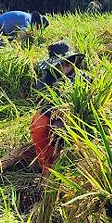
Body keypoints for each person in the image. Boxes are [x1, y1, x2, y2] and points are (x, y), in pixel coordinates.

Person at [31, 41, 87, 175]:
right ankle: (48, 167)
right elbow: (44, 105)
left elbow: (92, 96)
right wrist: (58, 120)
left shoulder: (82, 77)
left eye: (69, 62)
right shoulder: (45, 82)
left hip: (79, 117)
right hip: (54, 117)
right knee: (39, 126)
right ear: (54, 65)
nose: (67, 66)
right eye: (62, 63)